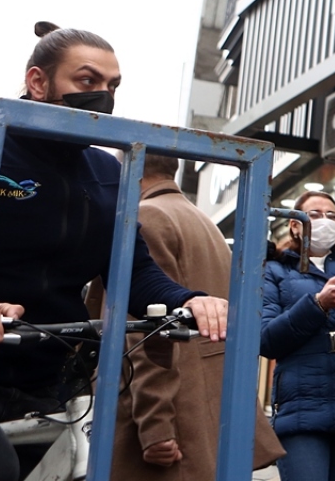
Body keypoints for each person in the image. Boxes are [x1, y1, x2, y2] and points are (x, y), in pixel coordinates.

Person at [0, 22, 229, 481]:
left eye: (113, 86)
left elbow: (133, 271)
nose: (103, 97)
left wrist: (190, 300)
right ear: (37, 82)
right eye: (87, 80)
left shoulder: (108, 172)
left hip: (48, 374)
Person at [89, 153, 284, 479]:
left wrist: (156, 426)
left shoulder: (148, 217)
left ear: (132, 171)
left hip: (174, 414)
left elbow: (147, 331)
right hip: (208, 411)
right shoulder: (202, 221)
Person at [261, 191, 335, 481]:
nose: (324, 221)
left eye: (332, 215)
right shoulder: (275, 270)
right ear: (295, 225)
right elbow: (266, 340)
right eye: (314, 214)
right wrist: (318, 305)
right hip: (302, 414)